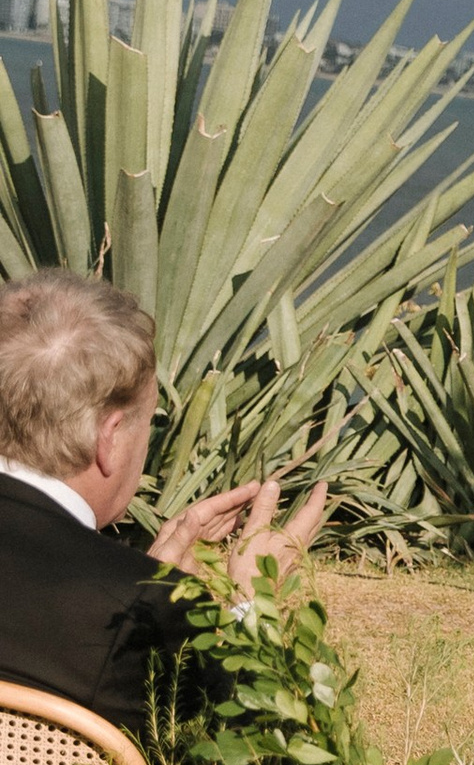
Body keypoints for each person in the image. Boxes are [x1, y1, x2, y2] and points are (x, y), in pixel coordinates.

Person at [0, 271, 328, 738]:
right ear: (109, 438)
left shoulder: (135, 601)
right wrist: (254, 610)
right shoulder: (135, 611)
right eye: (148, 422)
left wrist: (145, 581)